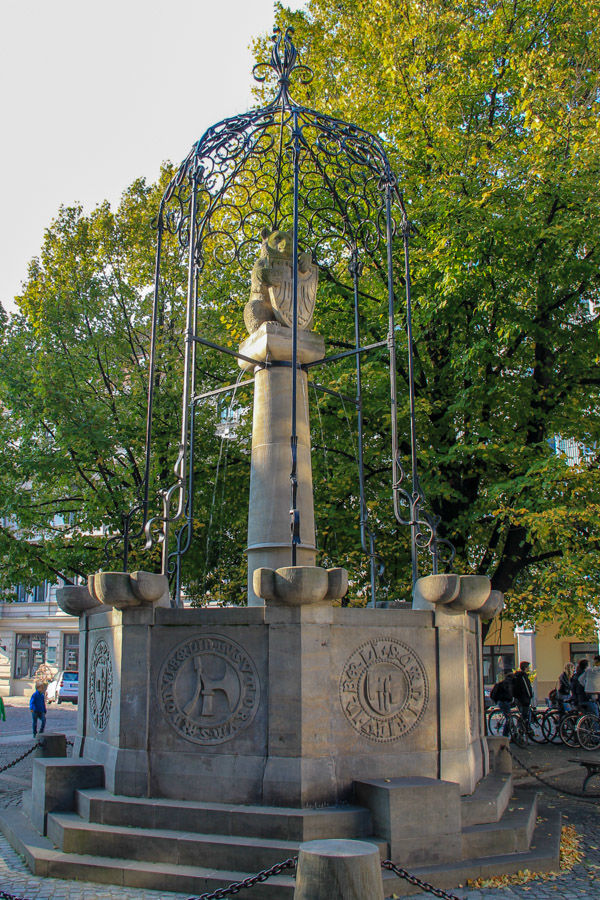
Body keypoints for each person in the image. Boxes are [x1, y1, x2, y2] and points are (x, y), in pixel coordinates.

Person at [490, 668, 514, 737]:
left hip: (503, 701)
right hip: (504, 702)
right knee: (508, 719)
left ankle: (510, 734)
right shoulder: (508, 682)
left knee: (509, 717)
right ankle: (505, 735)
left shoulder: (505, 681)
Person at [513, 661, 534, 733]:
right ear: (525, 668)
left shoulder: (519, 675)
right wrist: (530, 696)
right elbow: (527, 688)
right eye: (528, 667)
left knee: (524, 714)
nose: (529, 668)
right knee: (524, 715)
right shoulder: (522, 676)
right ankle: (519, 730)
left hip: (520, 698)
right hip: (523, 699)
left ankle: (524, 729)